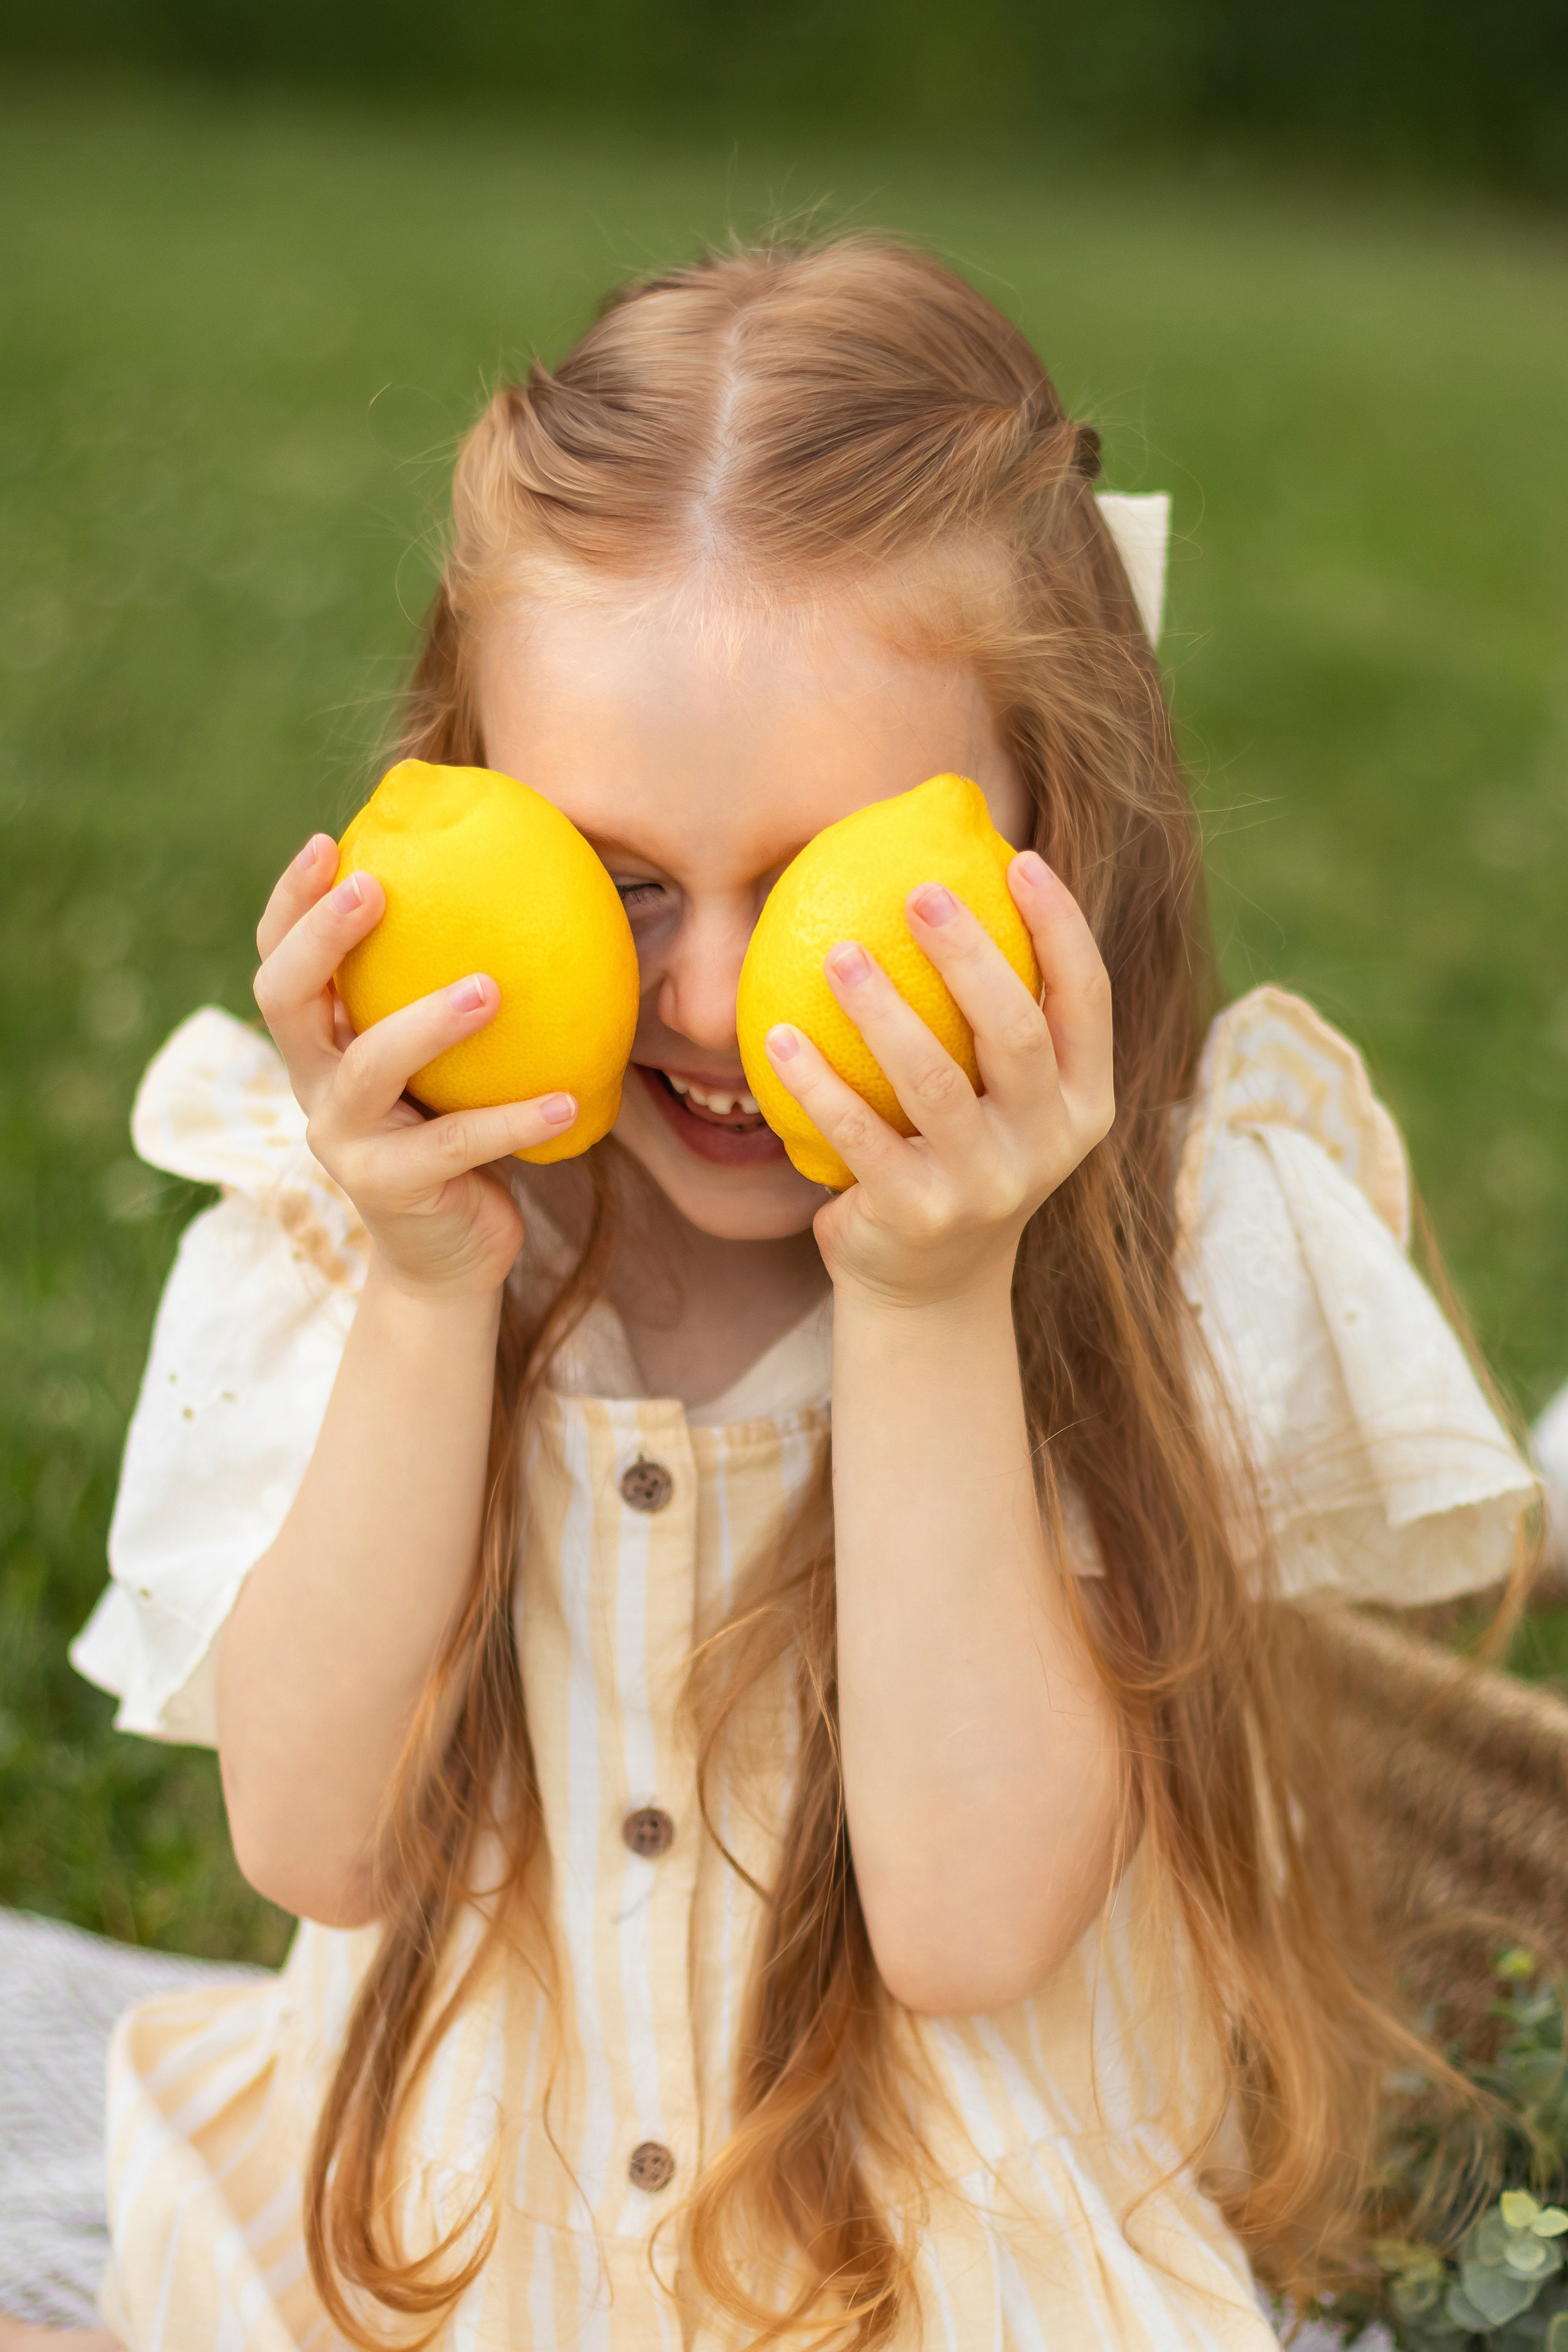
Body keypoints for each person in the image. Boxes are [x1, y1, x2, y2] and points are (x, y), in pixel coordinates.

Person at [34, 235, 1541, 2351]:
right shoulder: (360, 1232)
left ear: (1059, 843)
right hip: (457, 2254)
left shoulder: (1156, 1259)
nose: (719, 1000)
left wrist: (928, 1305)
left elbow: (969, 1917)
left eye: (829, 883)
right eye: (623, 880)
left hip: (937, 2281)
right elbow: (320, 1842)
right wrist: (423, 1286)